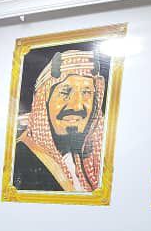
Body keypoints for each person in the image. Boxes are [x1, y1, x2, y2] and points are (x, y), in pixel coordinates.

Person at [13, 49, 106, 192]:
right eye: (64, 92)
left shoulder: (89, 158)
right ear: (43, 101)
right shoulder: (21, 160)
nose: (77, 106)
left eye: (86, 92)